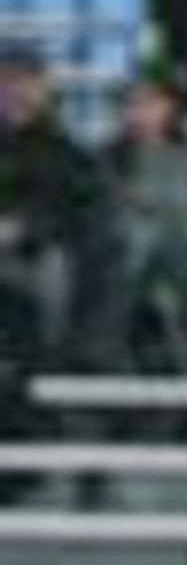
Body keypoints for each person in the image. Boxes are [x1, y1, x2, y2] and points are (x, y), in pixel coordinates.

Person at [89, 69, 187, 368]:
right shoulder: (107, 159)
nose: (141, 112)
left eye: (150, 102)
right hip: (131, 252)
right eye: (132, 104)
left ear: (169, 108)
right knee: (139, 246)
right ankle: (110, 349)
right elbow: (107, 213)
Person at [0, 39, 107, 384]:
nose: (15, 91)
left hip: (40, 257)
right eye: (6, 81)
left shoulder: (69, 154)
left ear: (44, 89)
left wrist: (25, 228)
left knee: (53, 272)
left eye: (25, 82)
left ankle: (51, 369)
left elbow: (81, 212)